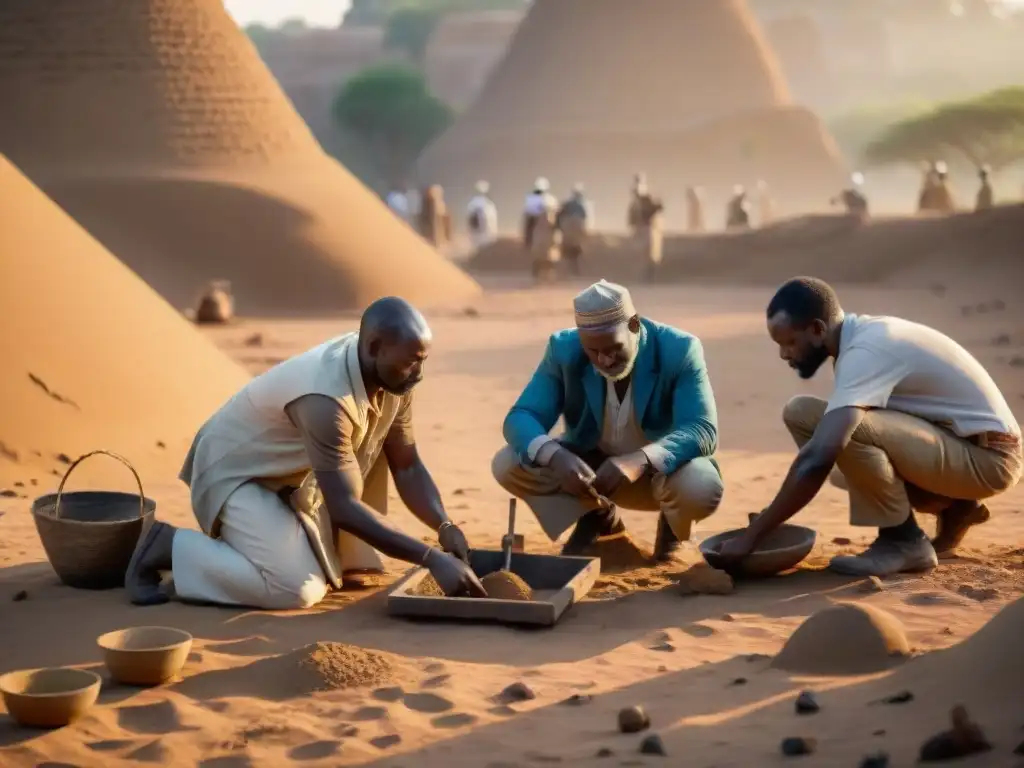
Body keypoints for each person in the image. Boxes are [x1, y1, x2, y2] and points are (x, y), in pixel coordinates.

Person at [125, 297, 487, 609]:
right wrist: (429, 558)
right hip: (238, 473)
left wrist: (444, 525)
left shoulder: (393, 375)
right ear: (375, 347)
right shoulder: (325, 400)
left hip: (294, 476)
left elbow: (406, 466)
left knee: (339, 565)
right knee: (296, 587)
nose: (418, 373)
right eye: (412, 362)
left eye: (422, 360)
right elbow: (344, 508)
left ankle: (278, 537)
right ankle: (169, 546)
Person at [718, 278, 1021, 577]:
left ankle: (902, 541)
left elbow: (819, 456)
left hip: (990, 459)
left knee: (840, 430)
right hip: (963, 447)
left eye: (789, 342)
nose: (785, 354)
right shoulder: (860, 339)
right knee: (803, 414)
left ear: (818, 329)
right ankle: (958, 507)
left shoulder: (866, 351)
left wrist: (755, 534)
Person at [492, 280, 724, 563]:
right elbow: (521, 417)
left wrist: (640, 459)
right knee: (508, 464)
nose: (605, 359)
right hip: (594, 479)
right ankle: (603, 523)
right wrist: (554, 456)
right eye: (593, 351)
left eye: (614, 348)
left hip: (663, 479)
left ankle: (672, 536)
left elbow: (702, 429)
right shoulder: (563, 350)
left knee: (700, 485)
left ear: (634, 325)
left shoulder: (679, 350)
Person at [627, 174, 665, 281]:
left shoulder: (646, 200)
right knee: (645, 255)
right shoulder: (638, 202)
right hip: (643, 229)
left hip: (647, 229)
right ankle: (647, 276)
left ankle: (649, 276)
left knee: (649, 255)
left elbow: (656, 209)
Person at [522, 177, 559, 282]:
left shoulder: (533, 200)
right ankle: (547, 277)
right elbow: (557, 219)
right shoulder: (552, 200)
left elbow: (529, 221)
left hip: (538, 232)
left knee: (539, 255)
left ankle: (538, 278)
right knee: (548, 254)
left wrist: (527, 237)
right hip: (549, 231)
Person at [556, 183, 591, 276]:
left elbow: (559, 216)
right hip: (576, 228)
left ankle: (566, 271)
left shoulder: (567, 204)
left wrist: (559, 227)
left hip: (568, 227)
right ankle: (575, 270)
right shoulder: (582, 206)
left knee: (567, 249)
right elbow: (584, 219)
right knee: (575, 250)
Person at [467, 180, 498, 250]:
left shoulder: (489, 204)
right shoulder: (487, 204)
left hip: (484, 237)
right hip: (479, 236)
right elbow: (471, 221)